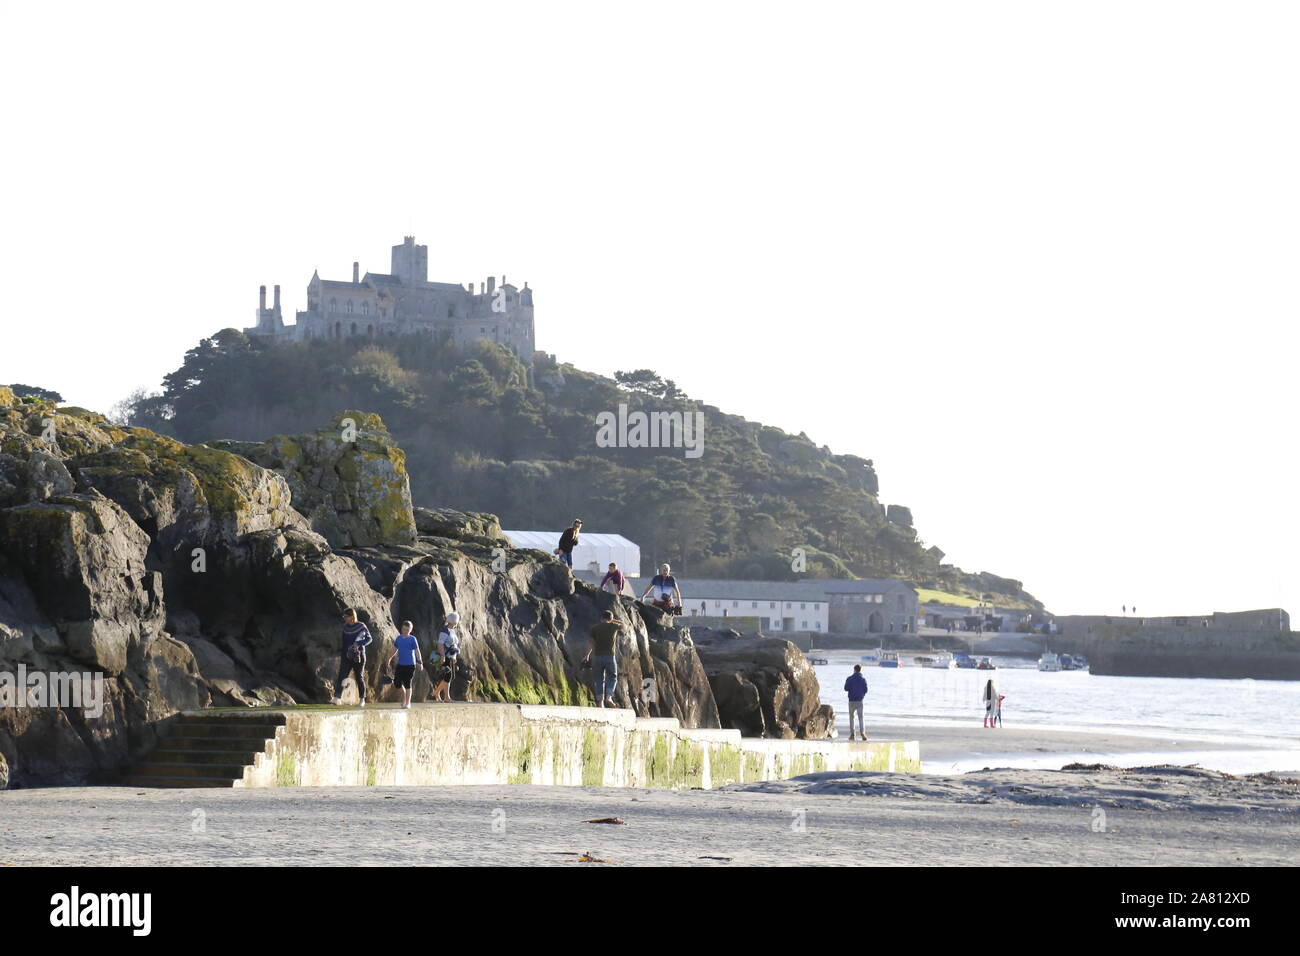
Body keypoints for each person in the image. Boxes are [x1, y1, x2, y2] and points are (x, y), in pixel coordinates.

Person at [331, 608, 373, 707]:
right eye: (344, 616)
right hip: (346, 656)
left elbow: (369, 639)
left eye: (346, 616)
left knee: (359, 677)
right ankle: (337, 698)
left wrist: (358, 643)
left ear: (351, 617)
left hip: (358, 656)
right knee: (342, 675)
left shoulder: (361, 626)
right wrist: (343, 654)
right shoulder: (345, 627)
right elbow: (344, 642)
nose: (344, 618)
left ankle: (362, 699)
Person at [583, 609, 624, 708]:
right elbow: (624, 625)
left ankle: (600, 703)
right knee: (612, 677)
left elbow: (590, 643)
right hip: (609, 656)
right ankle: (609, 697)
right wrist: (613, 621)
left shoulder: (595, 628)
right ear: (611, 619)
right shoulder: (614, 626)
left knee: (599, 679)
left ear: (601, 618)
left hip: (597, 657)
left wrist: (587, 655)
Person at [385, 620, 422, 709]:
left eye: (407, 630)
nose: (405, 631)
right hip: (400, 664)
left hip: (410, 664)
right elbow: (394, 649)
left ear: (410, 630)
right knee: (397, 682)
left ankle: (407, 703)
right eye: (403, 629)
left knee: (407, 682)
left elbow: (417, 651)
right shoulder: (399, 638)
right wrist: (389, 658)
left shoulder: (412, 639)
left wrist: (420, 662)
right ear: (401, 628)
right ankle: (404, 694)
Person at [431, 612, 461, 703]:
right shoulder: (445, 630)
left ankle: (445, 696)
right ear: (453, 621)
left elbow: (454, 644)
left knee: (449, 677)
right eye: (456, 620)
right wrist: (443, 656)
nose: (457, 622)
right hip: (444, 656)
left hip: (449, 657)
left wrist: (454, 656)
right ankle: (437, 693)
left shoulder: (452, 631)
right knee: (448, 676)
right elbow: (440, 644)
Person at [844, 664, 869, 741]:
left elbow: (845, 688)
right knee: (861, 718)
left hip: (851, 700)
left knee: (851, 718)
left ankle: (852, 734)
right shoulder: (863, 679)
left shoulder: (849, 678)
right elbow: (866, 690)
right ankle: (862, 733)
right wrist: (862, 695)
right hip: (859, 701)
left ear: (854, 669)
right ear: (860, 670)